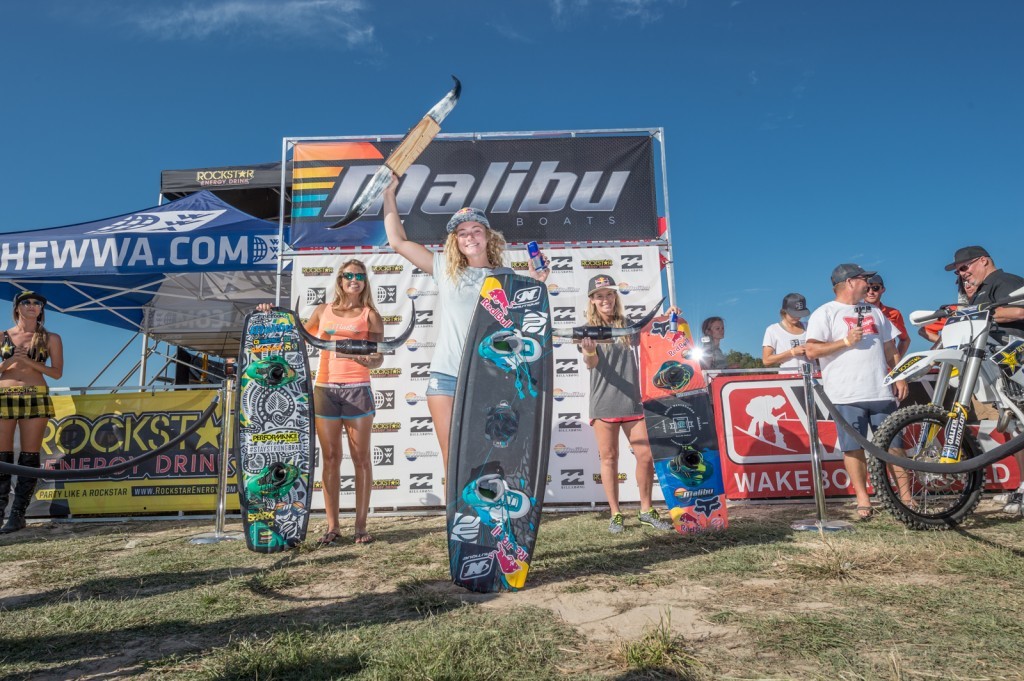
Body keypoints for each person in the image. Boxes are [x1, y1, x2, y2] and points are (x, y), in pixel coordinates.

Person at [382, 174, 548, 472]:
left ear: (488, 236)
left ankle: (486, 516)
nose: (469, 237)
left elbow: (518, 326)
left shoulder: (506, 276)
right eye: (462, 233)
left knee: (486, 453)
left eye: (475, 230)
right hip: (446, 376)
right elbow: (397, 241)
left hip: (489, 378)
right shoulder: (444, 268)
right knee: (453, 457)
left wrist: (535, 284)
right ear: (455, 241)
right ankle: (456, 519)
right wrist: (388, 194)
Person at [259, 260, 384, 545]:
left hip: (357, 390)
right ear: (340, 280)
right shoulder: (322, 311)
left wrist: (361, 357)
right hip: (325, 390)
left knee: (361, 459)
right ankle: (332, 527)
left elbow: (378, 358)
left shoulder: (371, 315)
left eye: (359, 276)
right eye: (348, 275)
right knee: (330, 459)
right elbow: (295, 335)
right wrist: (268, 315)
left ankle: (361, 527)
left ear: (365, 281)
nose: (354, 280)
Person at [805, 264, 909, 520]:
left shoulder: (875, 311)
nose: (869, 284)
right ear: (850, 282)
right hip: (845, 393)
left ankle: (907, 500)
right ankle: (863, 500)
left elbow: (890, 347)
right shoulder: (825, 312)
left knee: (895, 447)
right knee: (853, 448)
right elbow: (811, 351)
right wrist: (844, 342)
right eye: (865, 279)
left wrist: (900, 375)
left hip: (881, 391)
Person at [580, 275, 672, 533]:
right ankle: (615, 514)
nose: (605, 299)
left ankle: (645, 509)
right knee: (609, 458)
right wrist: (588, 350)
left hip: (633, 403)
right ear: (593, 300)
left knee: (645, 455)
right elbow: (591, 364)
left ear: (615, 297)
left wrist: (670, 316)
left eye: (609, 294)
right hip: (603, 403)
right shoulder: (587, 330)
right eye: (599, 296)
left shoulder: (629, 325)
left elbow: (657, 334)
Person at [946, 246, 1024, 514]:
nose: (962, 274)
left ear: (984, 261)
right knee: (1016, 428)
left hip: (1016, 357)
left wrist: (983, 313)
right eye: (958, 271)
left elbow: (1020, 311)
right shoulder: (978, 291)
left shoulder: (1004, 281)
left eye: (965, 267)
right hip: (996, 361)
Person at [0, 291, 63, 534]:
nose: (32, 306)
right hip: (5, 395)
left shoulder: (50, 337)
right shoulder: (3, 336)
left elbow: (57, 372)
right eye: (26, 302)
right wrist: (8, 363)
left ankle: (18, 514)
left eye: (37, 303)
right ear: (17, 307)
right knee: (3, 455)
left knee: (29, 455)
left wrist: (29, 362)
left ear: (41, 310)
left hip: (35, 395)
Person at [864, 274, 911, 360]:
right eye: (867, 288)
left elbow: (905, 340)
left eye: (875, 288)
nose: (870, 292)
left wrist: (895, 364)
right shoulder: (854, 312)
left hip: (886, 370)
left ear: (883, 289)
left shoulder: (893, 313)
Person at [761, 293, 811, 372]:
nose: (797, 317)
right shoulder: (773, 330)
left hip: (813, 377)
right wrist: (792, 352)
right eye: (793, 314)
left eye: (799, 314)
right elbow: (766, 360)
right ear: (784, 311)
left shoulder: (810, 327)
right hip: (788, 380)